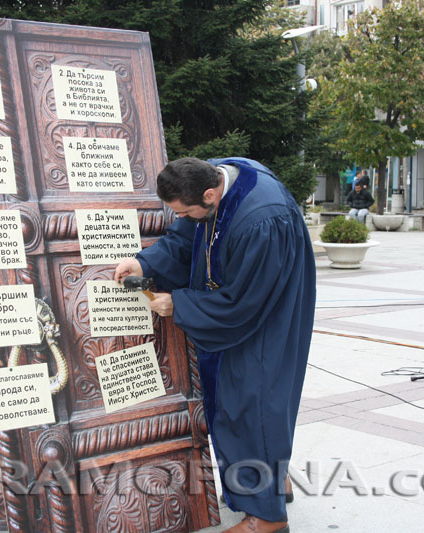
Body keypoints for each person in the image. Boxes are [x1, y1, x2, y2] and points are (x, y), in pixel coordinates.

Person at [114, 157, 315, 533]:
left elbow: (244, 302)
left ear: (210, 194)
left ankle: (267, 518)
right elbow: (187, 236)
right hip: (250, 295)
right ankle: (272, 483)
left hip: (268, 311)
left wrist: (181, 304)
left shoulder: (261, 220)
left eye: (188, 211)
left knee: (252, 399)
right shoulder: (215, 178)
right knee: (253, 399)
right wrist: (144, 263)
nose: (185, 217)